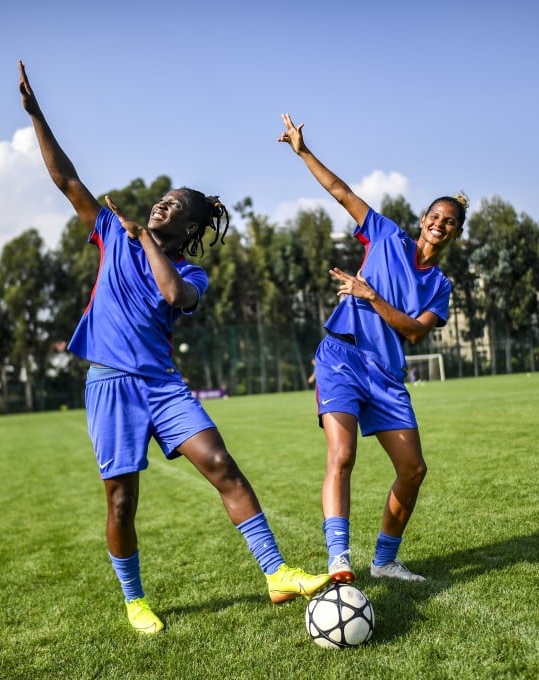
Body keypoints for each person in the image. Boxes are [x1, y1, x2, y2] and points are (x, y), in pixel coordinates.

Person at [19, 63, 329, 635]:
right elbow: (67, 180)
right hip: (110, 382)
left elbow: (170, 291)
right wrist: (38, 115)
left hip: (161, 384)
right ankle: (135, 601)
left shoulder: (190, 273)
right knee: (121, 504)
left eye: (174, 206)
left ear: (188, 228)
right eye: (161, 200)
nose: (162, 205)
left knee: (222, 466)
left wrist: (141, 235)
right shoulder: (111, 231)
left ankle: (277, 573)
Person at [278, 113, 467, 583]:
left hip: (386, 373)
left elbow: (414, 332)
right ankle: (339, 559)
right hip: (341, 357)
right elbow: (341, 191)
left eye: (450, 223)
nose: (440, 225)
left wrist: (371, 296)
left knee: (413, 469)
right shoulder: (385, 234)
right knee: (341, 457)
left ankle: (384, 561)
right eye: (435, 217)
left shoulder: (440, 285)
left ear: (455, 234)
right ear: (423, 220)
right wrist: (302, 152)